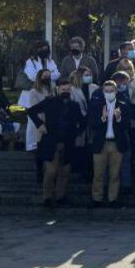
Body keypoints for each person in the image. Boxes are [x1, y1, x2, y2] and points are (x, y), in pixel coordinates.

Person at [26, 78, 84, 206]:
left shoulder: (74, 105)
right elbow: (31, 111)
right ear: (57, 89)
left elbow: (82, 121)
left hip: (68, 142)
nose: (66, 91)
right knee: (50, 172)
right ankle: (47, 197)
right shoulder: (50, 102)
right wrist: (40, 124)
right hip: (51, 142)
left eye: (68, 89)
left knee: (65, 172)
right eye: (63, 89)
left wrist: (77, 132)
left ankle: (60, 196)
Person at [88, 79, 131, 207]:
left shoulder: (123, 105)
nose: (109, 93)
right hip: (101, 143)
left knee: (115, 173)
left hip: (116, 143)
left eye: (111, 91)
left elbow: (127, 125)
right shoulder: (96, 106)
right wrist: (102, 119)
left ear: (116, 91)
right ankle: (97, 198)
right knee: (98, 174)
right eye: (106, 91)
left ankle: (113, 198)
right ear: (102, 92)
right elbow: (91, 124)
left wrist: (119, 118)